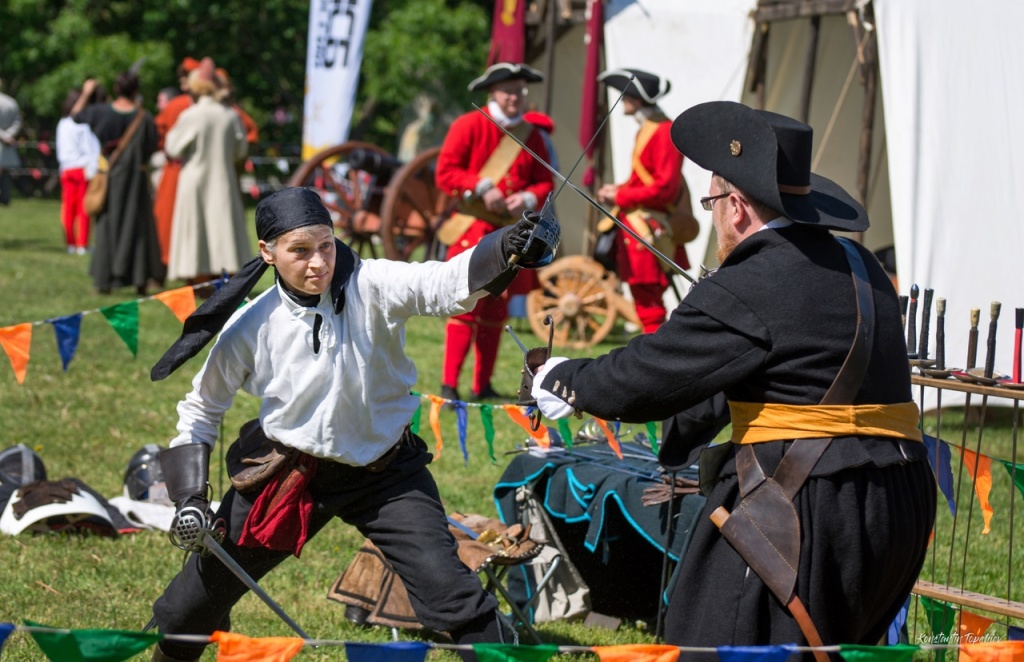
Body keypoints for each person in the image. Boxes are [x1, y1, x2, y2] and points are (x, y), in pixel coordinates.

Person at [530, 101, 936, 653]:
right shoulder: (861, 265)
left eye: (711, 201)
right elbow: (748, 375)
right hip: (900, 500)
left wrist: (562, 378)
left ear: (737, 206)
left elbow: (645, 374)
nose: (714, 216)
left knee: (715, 639)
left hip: (809, 503)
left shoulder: (752, 280)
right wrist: (684, 435)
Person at [145, 186, 557, 662]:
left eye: (325, 244)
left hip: (385, 474)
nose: (318, 262)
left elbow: (445, 284)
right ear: (268, 252)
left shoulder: (373, 283)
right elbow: (200, 409)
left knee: (453, 598)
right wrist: (190, 499)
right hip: (288, 476)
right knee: (186, 609)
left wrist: (508, 245)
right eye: (299, 251)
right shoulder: (250, 326)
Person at [434, 62, 554, 402]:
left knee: (495, 311)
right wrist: (481, 186)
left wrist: (528, 197)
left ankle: (481, 385)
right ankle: (448, 385)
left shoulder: (532, 134)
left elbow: (545, 179)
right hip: (473, 228)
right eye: (508, 91)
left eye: (520, 91)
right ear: (493, 93)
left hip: (510, 232)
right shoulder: (469, 125)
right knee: (465, 306)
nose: (515, 98)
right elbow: (445, 173)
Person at [595, 68, 687, 333]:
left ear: (638, 98)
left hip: (648, 227)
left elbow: (665, 189)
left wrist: (621, 195)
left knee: (651, 307)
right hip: (636, 226)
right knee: (644, 304)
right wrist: (618, 189)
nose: (622, 100)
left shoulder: (664, 130)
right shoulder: (648, 129)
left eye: (626, 94)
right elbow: (642, 180)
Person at [72, 71, 164, 295]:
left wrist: (86, 93)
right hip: (136, 180)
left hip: (109, 177)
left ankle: (105, 282)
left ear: (116, 89)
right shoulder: (145, 117)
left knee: (107, 226)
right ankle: (141, 281)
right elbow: (152, 146)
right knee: (138, 227)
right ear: (136, 90)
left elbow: (75, 115)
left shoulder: (100, 112)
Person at [164, 58, 249, 288]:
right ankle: (223, 280)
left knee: (196, 231)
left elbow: (172, 147)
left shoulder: (192, 115)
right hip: (223, 179)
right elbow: (241, 149)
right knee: (223, 230)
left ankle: (196, 280)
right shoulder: (231, 115)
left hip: (195, 178)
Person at [154, 57, 201, 266]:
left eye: (188, 75)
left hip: (192, 169)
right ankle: (163, 261)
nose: (184, 80)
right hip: (176, 168)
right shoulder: (175, 105)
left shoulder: (183, 106)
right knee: (166, 219)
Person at [56, 89, 102, 255]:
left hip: (66, 169)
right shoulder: (81, 125)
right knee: (83, 209)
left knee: (68, 208)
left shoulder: (62, 123)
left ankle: (70, 242)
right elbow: (90, 148)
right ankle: (82, 243)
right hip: (81, 168)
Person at [0, 78, 22, 206]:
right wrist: (8, 135)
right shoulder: (11, 102)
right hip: (7, 141)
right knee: (6, 172)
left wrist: (2, 136)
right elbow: (17, 122)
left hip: (4, 141)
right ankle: (5, 196)